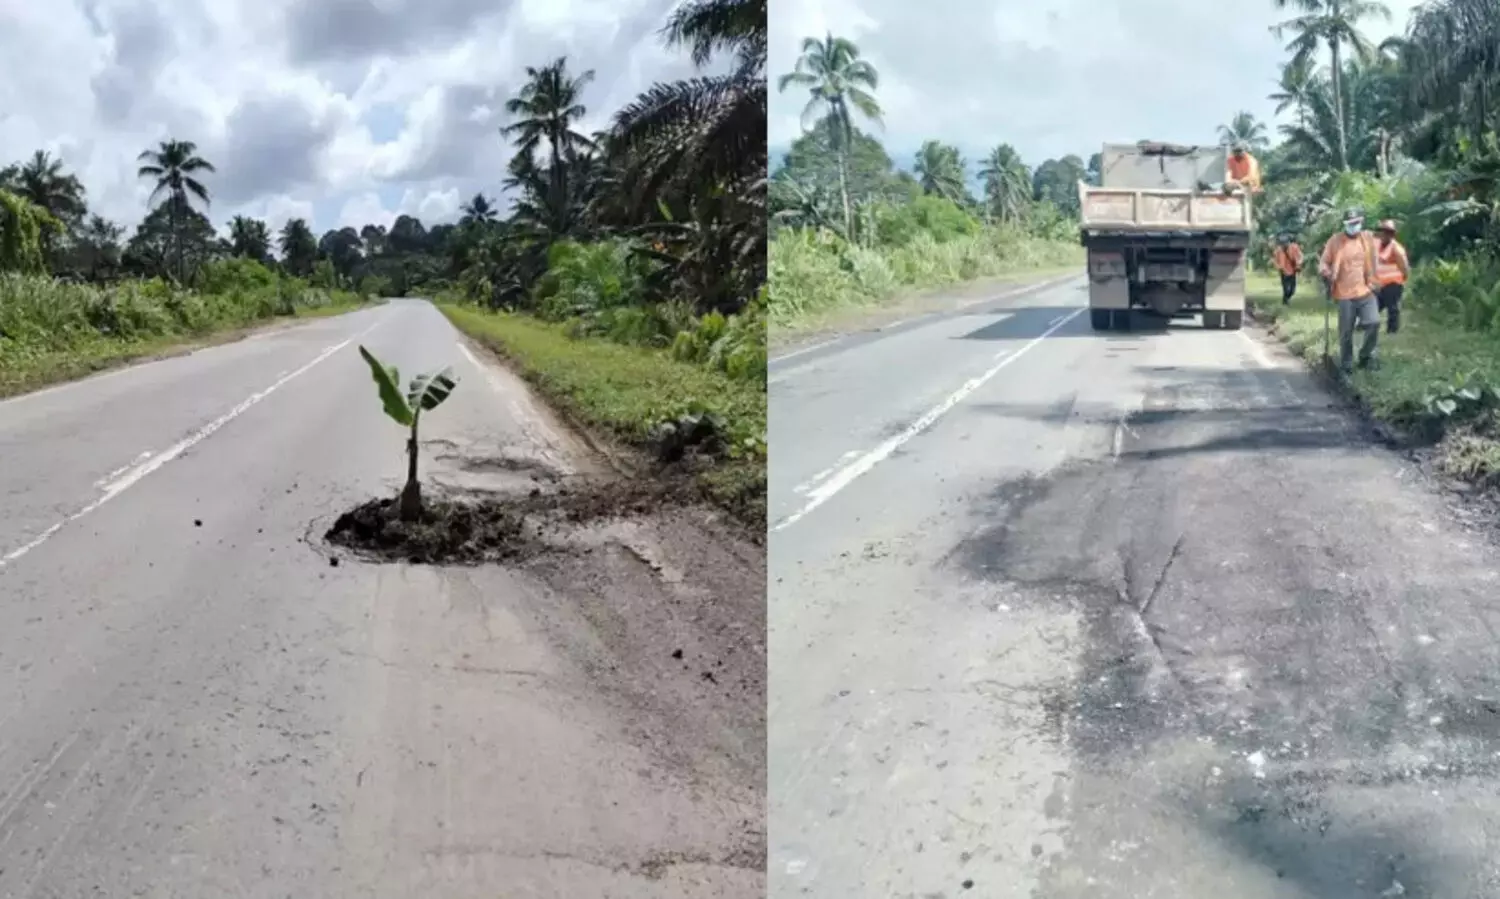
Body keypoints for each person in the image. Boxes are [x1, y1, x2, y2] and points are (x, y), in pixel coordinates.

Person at [1319, 207, 1382, 374]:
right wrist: (1325, 271)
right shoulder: (1335, 241)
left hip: (1366, 290)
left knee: (1374, 323)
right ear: (1345, 224)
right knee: (1346, 332)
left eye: (1356, 223)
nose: (1353, 226)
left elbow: (1377, 258)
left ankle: (1365, 356)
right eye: (1350, 223)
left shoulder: (1366, 239)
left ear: (1361, 222)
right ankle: (1346, 364)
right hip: (1344, 293)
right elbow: (1324, 262)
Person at [1374, 219, 1411, 333]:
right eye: (1381, 231)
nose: (1383, 234)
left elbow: (1404, 267)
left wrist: (1404, 278)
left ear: (1391, 234)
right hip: (1380, 284)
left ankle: (1392, 330)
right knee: (1373, 305)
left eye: (1386, 232)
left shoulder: (1396, 249)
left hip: (1394, 283)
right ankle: (1365, 325)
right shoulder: (1378, 245)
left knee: (1392, 308)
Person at [1272, 233, 1304, 304]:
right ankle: (1285, 302)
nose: (1284, 245)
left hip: (1292, 271)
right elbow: (1275, 260)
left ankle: (1286, 299)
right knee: (1286, 289)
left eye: (1285, 243)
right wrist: (1278, 267)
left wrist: (1298, 264)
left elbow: (1301, 256)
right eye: (1282, 243)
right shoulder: (1278, 251)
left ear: (1288, 242)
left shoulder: (1294, 247)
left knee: (1292, 290)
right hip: (1283, 272)